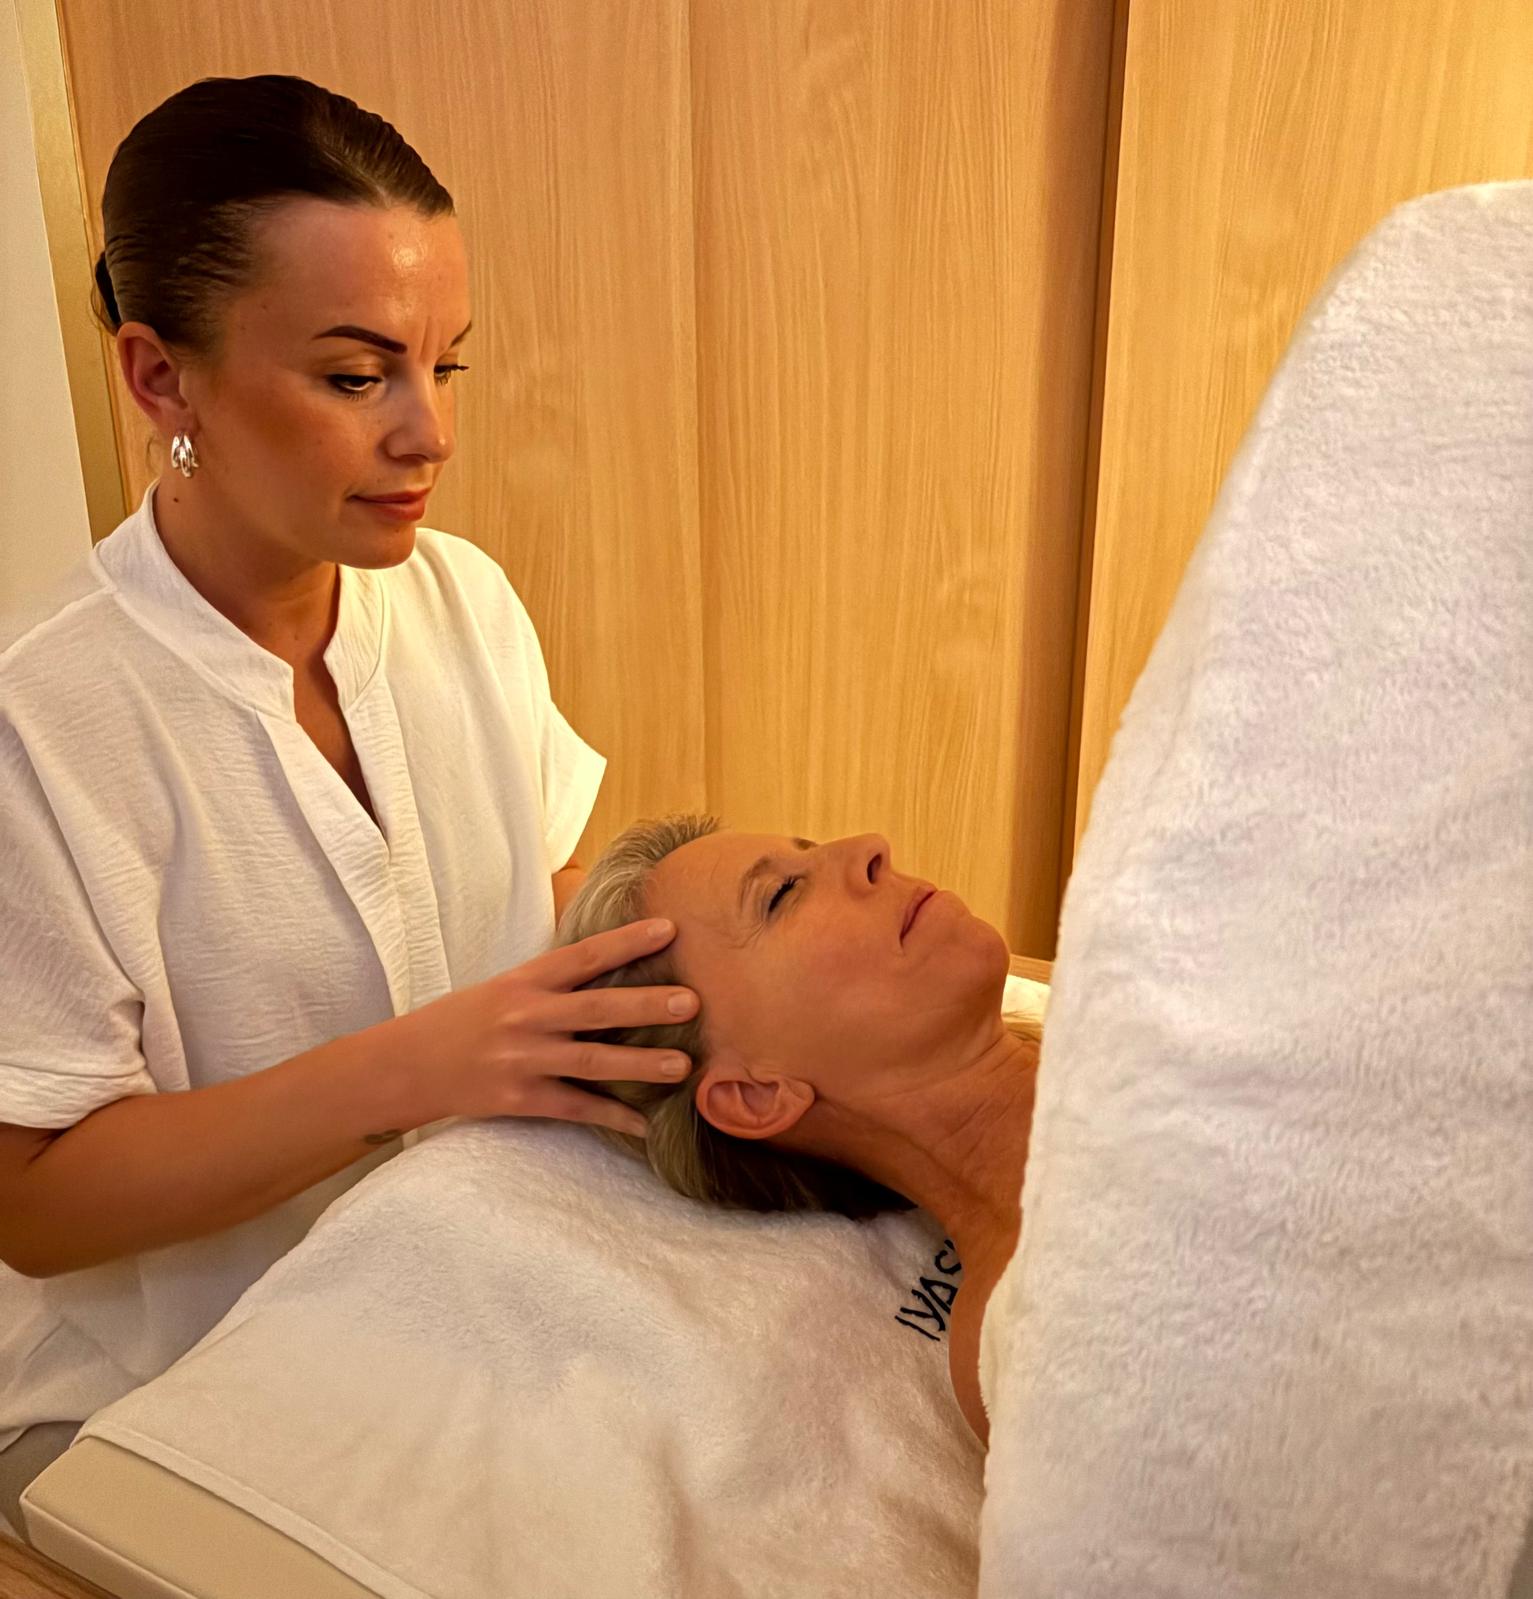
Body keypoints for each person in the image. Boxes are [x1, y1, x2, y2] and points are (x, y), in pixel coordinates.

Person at [0, 74, 698, 1535]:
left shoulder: (464, 604)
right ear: (159, 378)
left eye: (449, 364)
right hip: (159, 1383)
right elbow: (38, 1206)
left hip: (462, 1301)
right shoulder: (40, 724)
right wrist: (409, 1070)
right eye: (355, 376)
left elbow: (546, 913)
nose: (428, 433)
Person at [555, 813, 1042, 1441]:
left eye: (812, 851)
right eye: (781, 894)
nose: (871, 847)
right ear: (756, 1096)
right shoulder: (1029, 1336)